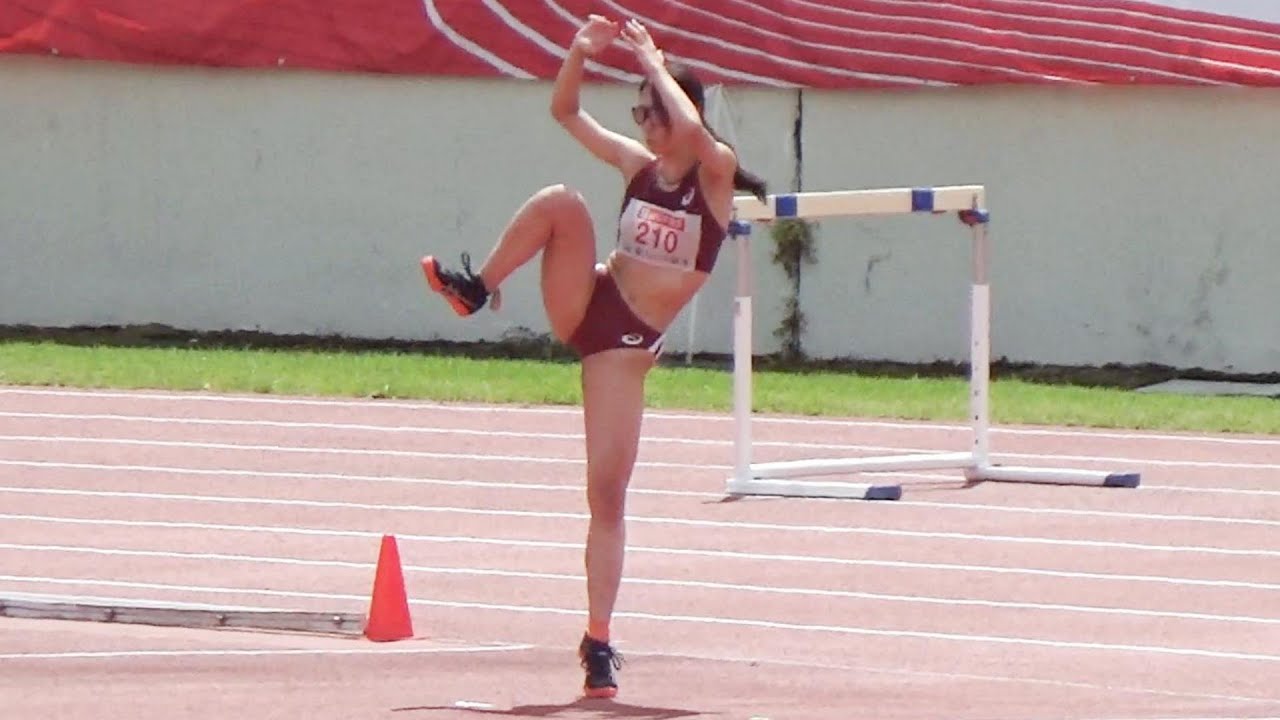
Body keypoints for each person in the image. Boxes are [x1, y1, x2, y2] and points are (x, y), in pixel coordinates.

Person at [420, 15, 767, 699]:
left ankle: (598, 641)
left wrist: (652, 62)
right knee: (562, 203)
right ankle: (477, 288)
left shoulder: (715, 174)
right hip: (589, 297)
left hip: (627, 343)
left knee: (606, 494)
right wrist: (580, 51)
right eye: (637, 110)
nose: (642, 123)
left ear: (680, 112)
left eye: (652, 110)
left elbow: (698, 134)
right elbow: (565, 111)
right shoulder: (638, 168)